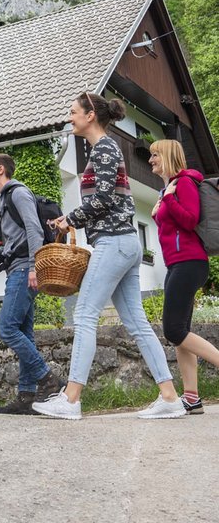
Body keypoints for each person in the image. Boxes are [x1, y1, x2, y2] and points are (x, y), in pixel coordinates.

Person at [32, 92, 185, 420]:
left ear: (90, 115)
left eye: (73, 112)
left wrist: (69, 219)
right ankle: (170, 397)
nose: (69, 117)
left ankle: (71, 400)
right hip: (125, 243)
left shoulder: (103, 147)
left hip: (114, 242)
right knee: (137, 323)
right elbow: (109, 197)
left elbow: (103, 197)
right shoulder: (102, 148)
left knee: (85, 314)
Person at [0, 154, 63, 414]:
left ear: (1, 169)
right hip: (16, 268)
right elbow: (18, 237)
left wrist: (33, 267)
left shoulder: (18, 193)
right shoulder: (3, 198)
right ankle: (27, 397)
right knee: (24, 333)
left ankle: (48, 379)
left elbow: (34, 231)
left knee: (7, 329)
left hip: (24, 271)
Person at [149, 138, 219, 414]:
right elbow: (171, 226)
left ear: (167, 155)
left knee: (173, 330)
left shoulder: (185, 182)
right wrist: (160, 207)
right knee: (181, 333)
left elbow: (190, 219)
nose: (151, 159)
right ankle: (191, 397)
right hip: (177, 264)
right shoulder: (167, 188)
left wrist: (168, 200)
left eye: (155, 154)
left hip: (189, 263)